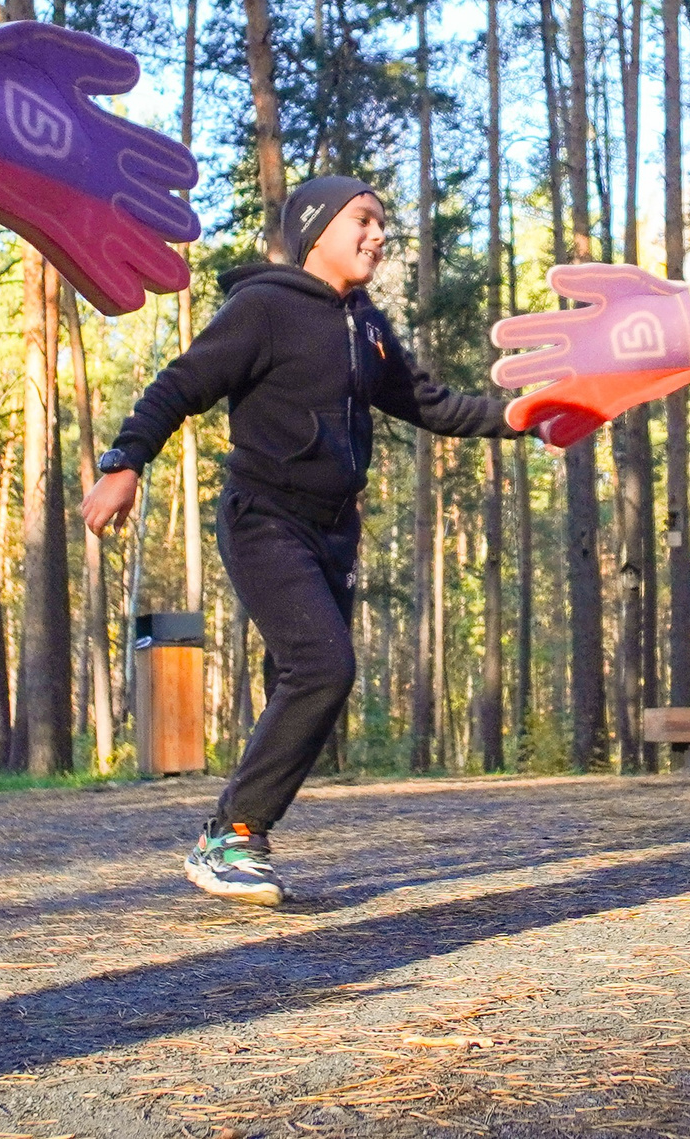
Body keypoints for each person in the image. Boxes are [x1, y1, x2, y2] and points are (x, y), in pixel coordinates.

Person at [82, 178, 542, 905]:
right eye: (364, 219)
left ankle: (238, 835)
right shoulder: (263, 308)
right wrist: (123, 463)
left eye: (383, 222)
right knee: (323, 666)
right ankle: (231, 835)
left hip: (334, 531)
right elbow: (178, 385)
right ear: (316, 228)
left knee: (298, 682)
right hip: (265, 516)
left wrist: (528, 417)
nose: (378, 233)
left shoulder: (365, 326)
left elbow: (430, 403)